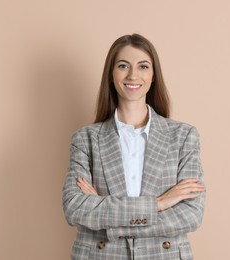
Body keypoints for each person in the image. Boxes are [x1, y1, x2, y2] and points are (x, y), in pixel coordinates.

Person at [62, 33, 206, 260]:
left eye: (143, 66)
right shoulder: (85, 139)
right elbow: (75, 208)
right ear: (111, 75)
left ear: (153, 75)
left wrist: (108, 218)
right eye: (123, 66)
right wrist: (158, 204)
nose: (133, 75)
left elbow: (190, 214)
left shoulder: (183, 136)